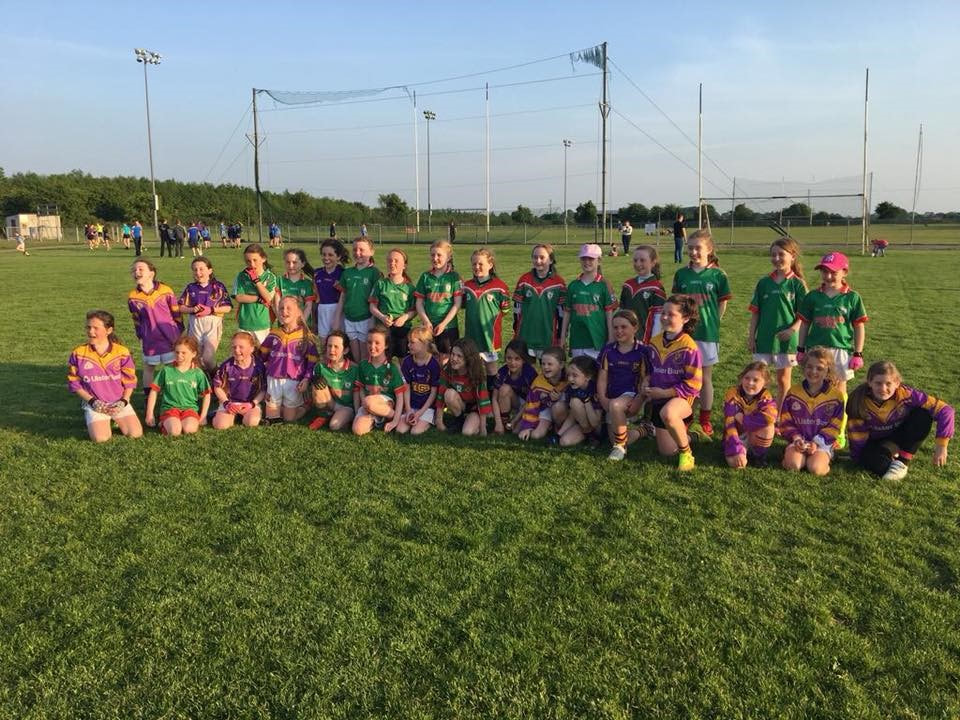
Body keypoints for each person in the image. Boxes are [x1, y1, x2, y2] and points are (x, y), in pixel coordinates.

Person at [846, 360, 954, 480]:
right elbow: (856, 434)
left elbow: (945, 410)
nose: (883, 388)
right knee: (880, 466)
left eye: (888, 383)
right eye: (878, 383)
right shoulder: (858, 401)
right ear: (869, 382)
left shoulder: (907, 395)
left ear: (897, 383)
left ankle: (902, 461)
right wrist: (859, 458)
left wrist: (941, 446)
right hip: (875, 442)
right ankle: (890, 453)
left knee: (923, 415)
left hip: (899, 437)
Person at [671, 229, 731, 438]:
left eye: (698, 248)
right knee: (684, 376)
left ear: (709, 249)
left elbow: (722, 303)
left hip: (706, 334)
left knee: (705, 378)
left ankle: (705, 420)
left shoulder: (718, 275)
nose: (694, 252)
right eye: (690, 248)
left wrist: (714, 322)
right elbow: (676, 303)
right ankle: (685, 416)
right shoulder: (681, 274)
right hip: (684, 334)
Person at [636, 295, 703, 471]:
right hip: (659, 399)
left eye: (671, 314)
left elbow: (694, 385)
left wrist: (664, 393)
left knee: (669, 413)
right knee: (667, 451)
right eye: (663, 313)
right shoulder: (655, 341)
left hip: (682, 399)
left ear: (685, 318)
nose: (664, 317)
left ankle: (686, 454)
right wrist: (646, 380)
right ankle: (693, 435)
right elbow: (650, 370)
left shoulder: (689, 347)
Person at [747, 237, 808, 405]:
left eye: (781, 254)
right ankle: (758, 413)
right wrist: (751, 337)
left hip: (787, 341)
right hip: (764, 339)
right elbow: (756, 313)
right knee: (757, 379)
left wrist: (792, 330)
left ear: (792, 256)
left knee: (783, 381)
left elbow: (804, 315)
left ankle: (781, 414)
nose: (776, 258)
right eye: (773, 255)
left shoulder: (797, 284)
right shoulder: (764, 283)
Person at [67, 310, 143, 442]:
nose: (90, 331)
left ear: (109, 330)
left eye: (95, 328)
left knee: (135, 434)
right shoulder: (78, 353)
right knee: (101, 438)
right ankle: (93, 415)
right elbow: (74, 383)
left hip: (118, 402)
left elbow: (129, 381)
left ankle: (113, 419)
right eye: (88, 327)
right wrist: (92, 402)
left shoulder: (122, 352)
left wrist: (124, 401)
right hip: (95, 403)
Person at [779, 347, 845, 476]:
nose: (813, 371)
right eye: (809, 366)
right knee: (794, 465)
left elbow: (835, 426)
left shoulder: (836, 396)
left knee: (816, 469)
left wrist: (816, 443)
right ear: (804, 367)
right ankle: (792, 455)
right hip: (798, 441)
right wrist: (796, 438)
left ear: (828, 371)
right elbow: (786, 421)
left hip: (822, 443)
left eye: (819, 368)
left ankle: (825, 457)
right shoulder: (793, 392)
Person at [128, 259, 182, 399]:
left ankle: (174, 397)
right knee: (148, 368)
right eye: (134, 270)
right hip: (149, 339)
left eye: (140, 269)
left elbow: (176, 312)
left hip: (170, 338)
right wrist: (141, 336)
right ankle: (148, 399)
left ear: (151, 273)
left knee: (172, 367)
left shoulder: (165, 290)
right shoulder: (133, 296)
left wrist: (178, 332)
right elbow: (136, 320)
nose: (136, 272)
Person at [260, 296, 318, 424]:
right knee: (272, 418)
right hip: (273, 380)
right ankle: (272, 406)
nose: (284, 311)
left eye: (288, 308)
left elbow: (311, 363)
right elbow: (261, 356)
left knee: (288, 419)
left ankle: (306, 406)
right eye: (281, 308)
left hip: (293, 383)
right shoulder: (274, 334)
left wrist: (306, 379)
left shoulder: (306, 337)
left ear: (298, 312)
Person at [599, 309, 648, 461]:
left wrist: (639, 400)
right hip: (611, 398)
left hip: (631, 396)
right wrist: (603, 399)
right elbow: (602, 378)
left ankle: (620, 447)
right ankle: (643, 430)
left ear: (635, 327)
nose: (619, 331)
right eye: (615, 327)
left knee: (616, 406)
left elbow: (646, 380)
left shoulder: (643, 351)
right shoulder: (608, 350)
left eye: (623, 327)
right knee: (613, 439)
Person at [462, 248, 511, 392]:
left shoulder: (500, 287)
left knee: (491, 370)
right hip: (471, 336)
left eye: (480, 264)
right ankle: (474, 398)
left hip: (489, 337)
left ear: (490, 264)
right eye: (474, 264)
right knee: (472, 369)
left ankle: (491, 397)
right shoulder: (467, 286)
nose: (477, 267)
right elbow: (463, 304)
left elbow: (505, 310)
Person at [145, 335, 212, 435]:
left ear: (193, 354)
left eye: (183, 353)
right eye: (177, 352)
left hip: (189, 409)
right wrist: (149, 414)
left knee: (190, 430)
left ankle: (177, 422)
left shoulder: (197, 373)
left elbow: (207, 394)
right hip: (170, 409)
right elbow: (154, 391)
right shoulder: (167, 370)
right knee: (174, 431)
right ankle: (164, 422)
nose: (179, 355)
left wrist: (203, 416)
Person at [560, 243, 616, 360]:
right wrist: (563, 337)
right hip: (577, 341)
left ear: (599, 260)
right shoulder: (573, 285)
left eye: (591, 259)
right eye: (583, 259)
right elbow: (567, 312)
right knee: (577, 370)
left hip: (598, 340)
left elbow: (609, 313)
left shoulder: (604, 285)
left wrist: (611, 338)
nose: (587, 262)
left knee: (598, 370)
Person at [179, 256, 233, 373]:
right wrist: (192, 309)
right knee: (196, 358)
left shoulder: (218, 287)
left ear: (210, 270)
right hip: (195, 324)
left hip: (212, 324)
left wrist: (211, 310)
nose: (198, 272)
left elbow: (228, 307)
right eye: (195, 270)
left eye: (201, 269)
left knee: (208, 358)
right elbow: (181, 307)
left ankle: (215, 375)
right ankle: (202, 379)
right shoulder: (190, 288)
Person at [513, 243, 566, 359]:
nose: (538, 261)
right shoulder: (524, 280)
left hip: (548, 338)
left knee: (547, 369)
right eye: (535, 257)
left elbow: (562, 314)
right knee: (526, 369)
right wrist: (516, 332)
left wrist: (560, 336)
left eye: (542, 257)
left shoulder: (559, 283)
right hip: (526, 337)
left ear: (551, 260)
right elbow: (517, 310)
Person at [414, 239, 463, 365]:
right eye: (432, 255)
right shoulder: (425, 277)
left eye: (439, 255)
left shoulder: (454, 277)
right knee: (429, 356)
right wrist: (426, 321)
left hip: (448, 327)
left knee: (446, 359)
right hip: (428, 327)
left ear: (449, 257)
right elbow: (419, 303)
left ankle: (443, 378)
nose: (435, 258)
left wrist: (443, 324)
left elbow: (457, 304)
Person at [722, 361, 778, 469]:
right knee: (738, 464)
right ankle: (740, 451)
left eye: (755, 380)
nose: (750, 383)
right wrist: (736, 447)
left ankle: (758, 456)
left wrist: (744, 420)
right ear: (742, 378)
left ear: (765, 383)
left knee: (769, 427)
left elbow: (770, 417)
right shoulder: (732, 393)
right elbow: (729, 424)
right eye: (747, 378)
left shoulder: (766, 396)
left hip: (754, 435)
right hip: (737, 436)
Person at [334, 237, 381, 362]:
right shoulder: (347, 273)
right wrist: (337, 318)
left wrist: (373, 320)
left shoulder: (374, 273)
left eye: (362, 250)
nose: (357, 253)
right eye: (355, 249)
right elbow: (343, 297)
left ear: (371, 252)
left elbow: (377, 299)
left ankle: (365, 374)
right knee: (355, 356)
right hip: (349, 319)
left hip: (366, 319)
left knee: (366, 356)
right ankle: (357, 374)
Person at [353, 325, 406, 435]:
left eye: (377, 343)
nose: (372, 346)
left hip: (386, 403)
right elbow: (360, 388)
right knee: (358, 430)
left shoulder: (392, 367)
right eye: (369, 342)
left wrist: (395, 420)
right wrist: (361, 407)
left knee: (369, 402)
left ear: (386, 345)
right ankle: (377, 419)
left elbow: (400, 396)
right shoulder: (363, 365)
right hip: (368, 403)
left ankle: (392, 415)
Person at [435, 337, 491, 436]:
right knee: (449, 394)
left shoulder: (477, 374)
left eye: (459, 356)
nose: (454, 358)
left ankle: (475, 422)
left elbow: (482, 401)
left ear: (468, 358)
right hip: (460, 403)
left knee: (467, 432)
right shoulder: (447, 369)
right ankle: (459, 420)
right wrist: (439, 421)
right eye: (453, 354)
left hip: (474, 408)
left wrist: (483, 428)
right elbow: (440, 395)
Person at [211, 331, 267, 430]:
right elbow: (217, 387)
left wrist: (252, 404)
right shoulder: (226, 366)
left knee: (251, 422)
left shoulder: (259, 366)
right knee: (221, 425)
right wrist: (226, 403)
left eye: (241, 347)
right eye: (234, 347)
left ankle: (244, 416)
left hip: (250, 404)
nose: (237, 350)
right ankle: (218, 416)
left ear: (252, 349)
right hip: (230, 403)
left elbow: (263, 390)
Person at [368, 248, 416, 360]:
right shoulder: (380, 284)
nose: (392, 263)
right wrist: (382, 317)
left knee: (403, 357)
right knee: (383, 358)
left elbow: (414, 310)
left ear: (404, 265)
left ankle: (403, 372)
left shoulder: (410, 287)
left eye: (396, 261)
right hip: (383, 328)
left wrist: (404, 318)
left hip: (402, 328)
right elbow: (372, 307)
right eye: (390, 260)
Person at [308, 330, 360, 432]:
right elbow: (313, 388)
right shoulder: (320, 367)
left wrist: (357, 414)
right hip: (330, 404)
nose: (331, 350)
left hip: (346, 407)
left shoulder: (355, 369)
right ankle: (323, 415)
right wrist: (314, 380)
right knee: (317, 383)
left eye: (336, 347)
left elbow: (357, 393)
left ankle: (341, 418)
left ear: (345, 350)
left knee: (334, 426)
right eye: (329, 346)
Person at [396, 325, 442, 435]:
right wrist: (408, 409)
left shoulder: (434, 364)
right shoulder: (407, 361)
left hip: (427, 408)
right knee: (400, 430)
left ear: (424, 344)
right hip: (411, 405)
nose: (408, 345)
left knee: (415, 432)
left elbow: (433, 393)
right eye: (408, 342)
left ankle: (429, 419)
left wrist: (420, 413)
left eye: (412, 342)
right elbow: (406, 387)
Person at [517, 346, 568, 441]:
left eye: (550, 364)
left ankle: (559, 428)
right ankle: (548, 426)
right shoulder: (538, 384)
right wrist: (527, 427)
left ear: (561, 365)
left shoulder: (569, 379)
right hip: (545, 409)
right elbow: (532, 406)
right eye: (543, 364)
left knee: (558, 407)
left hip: (563, 411)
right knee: (536, 435)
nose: (545, 367)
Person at [232, 243, 278, 345]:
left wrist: (256, 281)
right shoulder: (241, 276)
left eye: (255, 260)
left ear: (263, 259)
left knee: (263, 353)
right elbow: (239, 297)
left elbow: (268, 298)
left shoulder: (270, 277)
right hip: (244, 323)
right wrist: (258, 299)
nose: (252, 264)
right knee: (243, 352)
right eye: (248, 261)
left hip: (263, 324)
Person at [619, 245, 665, 343]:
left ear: (653, 262)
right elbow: (621, 312)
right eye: (635, 260)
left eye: (642, 260)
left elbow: (658, 319)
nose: (638, 264)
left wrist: (653, 342)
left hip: (644, 340)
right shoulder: (628, 285)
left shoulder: (657, 288)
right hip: (625, 339)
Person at [491, 338, 537, 434]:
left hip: (528, 405)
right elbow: (494, 398)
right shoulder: (502, 372)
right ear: (505, 358)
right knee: (504, 389)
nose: (512, 363)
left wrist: (515, 420)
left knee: (516, 431)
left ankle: (515, 421)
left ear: (523, 359)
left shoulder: (530, 373)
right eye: (509, 358)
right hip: (514, 402)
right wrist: (498, 423)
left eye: (517, 359)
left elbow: (531, 400)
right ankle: (504, 422)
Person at [555, 355, 603, 448]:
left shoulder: (596, 390)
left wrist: (586, 401)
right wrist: (559, 434)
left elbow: (595, 422)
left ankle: (595, 437)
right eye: (568, 375)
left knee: (575, 402)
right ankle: (589, 436)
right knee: (564, 442)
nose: (570, 379)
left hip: (597, 427)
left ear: (588, 377)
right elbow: (572, 415)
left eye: (575, 375)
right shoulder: (572, 388)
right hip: (584, 426)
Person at [314, 238, 348, 348]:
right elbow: (316, 297)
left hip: (338, 310)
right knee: (324, 345)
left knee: (339, 343)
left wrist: (341, 288)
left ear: (338, 257)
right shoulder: (317, 273)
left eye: (330, 255)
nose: (326, 258)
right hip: (323, 311)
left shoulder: (343, 273)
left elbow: (348, 294)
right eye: (324, 254)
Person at [277, 248, 316, 322]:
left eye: (294, 262)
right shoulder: (279, 281)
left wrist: (301, 323)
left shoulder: (308, 283)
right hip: (284, 323)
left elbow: (308, 306)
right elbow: (277, 303)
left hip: (302, 324)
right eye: (288, 262)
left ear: (303, 264)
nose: (291, 265)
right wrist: (282, 321)